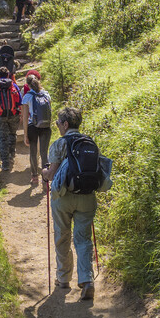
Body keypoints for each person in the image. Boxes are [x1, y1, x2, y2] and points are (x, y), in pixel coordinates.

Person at [42, 108, 109, 300]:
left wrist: (44, 174)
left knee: (62, 235)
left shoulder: (59, 144)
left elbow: (52, 174)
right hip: (87, 197)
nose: (57, 126)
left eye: (58, 123)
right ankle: (87, 281)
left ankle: (63, 278)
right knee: (83, 239)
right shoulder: (89, 142)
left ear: (65, 124)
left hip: (63, 197)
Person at [0, 67, 23, 174]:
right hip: (14, 114)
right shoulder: (13, 85)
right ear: (8, 75)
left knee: (3, 139)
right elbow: (20, 101)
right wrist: (21, 114)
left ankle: (5, 163)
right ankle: (12, 154)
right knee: (12, 134)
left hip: (0, 116)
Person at [20, 74, 51, 184]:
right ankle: (45, 179)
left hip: (33, 127)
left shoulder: (27, 96)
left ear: (27, 85)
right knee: (44, 153)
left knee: (33, 152)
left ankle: (34, 177)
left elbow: (25, 118)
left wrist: (25, 134)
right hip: (46, 126)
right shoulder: (46, 94)